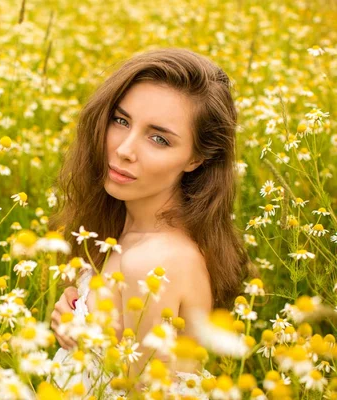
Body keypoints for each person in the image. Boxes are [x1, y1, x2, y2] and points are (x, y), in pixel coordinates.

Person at [47, 48, 254, 395]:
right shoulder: (130, 234)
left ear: (196, 158)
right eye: (121, 120)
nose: (125, 149)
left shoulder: (152, 263)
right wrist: (77, 318)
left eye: (159, 138)